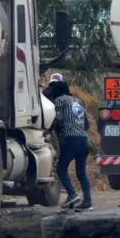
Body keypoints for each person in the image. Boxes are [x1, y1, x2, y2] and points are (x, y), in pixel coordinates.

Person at [44, 80, 93, 210]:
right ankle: (87, 202)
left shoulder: (60, 100)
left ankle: (72, 195)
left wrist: (46, 130)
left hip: (70, 139)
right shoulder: (77, 101)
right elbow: (86, 124)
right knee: (81, 172)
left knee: (61, 169)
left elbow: (57, 118)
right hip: (83, 139)